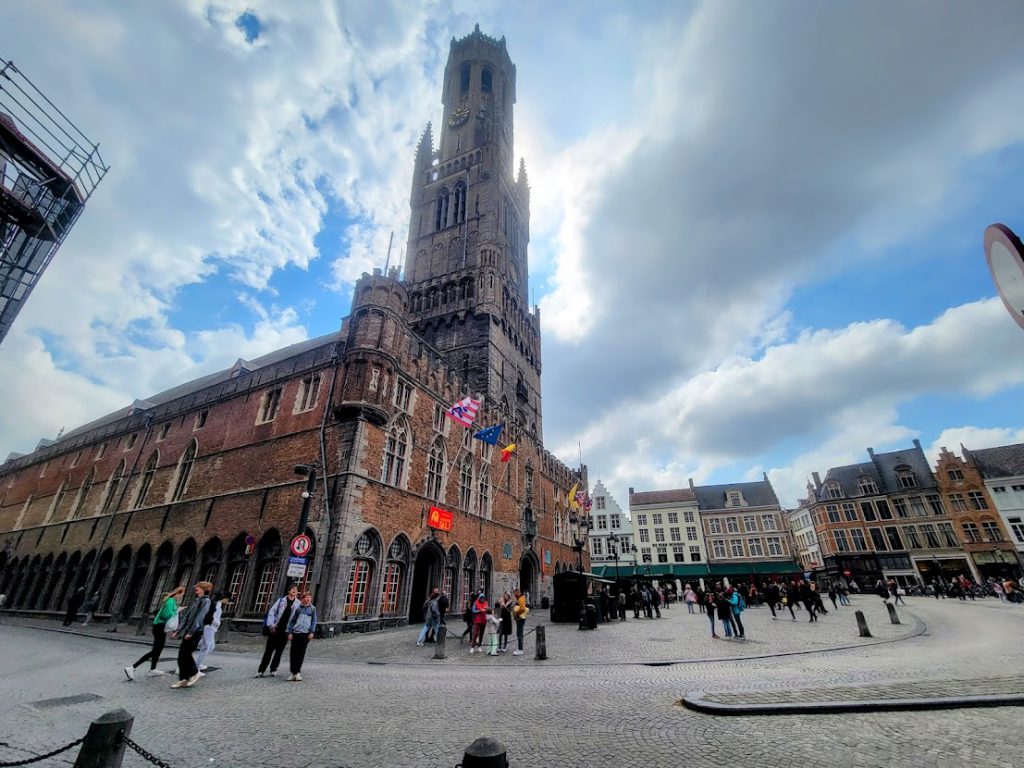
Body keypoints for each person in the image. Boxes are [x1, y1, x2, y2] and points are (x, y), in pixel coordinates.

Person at [125, 586, 183, 681]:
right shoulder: (170, 601)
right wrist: (177, 611)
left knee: (158, 649)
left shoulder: (172, 601)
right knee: (155, 650)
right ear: (178, 594)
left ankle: (153, 669)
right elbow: (166, 615)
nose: (181, 597)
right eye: (181, 595)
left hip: (161, 627)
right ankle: (132, 667)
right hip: (159, 627)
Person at [170, 581, 211, 689]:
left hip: (195, 632)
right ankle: (184, 679)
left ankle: (194, 672)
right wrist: (178, 631)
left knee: (186, 654)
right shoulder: (196, 600)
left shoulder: (206, 601)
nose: (196, 588)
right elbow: (187, 616)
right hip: (188, 631)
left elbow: (200, 618)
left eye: (199, 587)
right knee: (182, 655)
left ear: (204, 589)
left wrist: (191, 632)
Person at [256, 585, 299, 677]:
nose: (294, 590)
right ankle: (261, 670)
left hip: (285, 631)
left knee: (279, 652)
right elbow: (272, 612)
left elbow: (296, 618)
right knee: (268, 651)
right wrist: (271, 624)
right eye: (293, 589)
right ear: (288, 591)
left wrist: (292, 631)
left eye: (296, 589)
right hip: (275, 629)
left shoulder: (297, 603)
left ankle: (273, 669)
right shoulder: (281, 601)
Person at [194, 592, 228, 675]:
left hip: (211, 627)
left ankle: (198, 663)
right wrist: (218, 623)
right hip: (210, 627)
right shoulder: (216, 605)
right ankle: (196, 667)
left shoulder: (218, 604)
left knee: (210, 646)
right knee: (206, 647)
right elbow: (212, 617)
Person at [286, 591, 317, 681]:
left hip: (305, 633)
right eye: (306, 597)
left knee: (301, 653)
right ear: (302, 598)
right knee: (293, 653)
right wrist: (290, 632)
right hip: (296, 632)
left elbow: (314, 621)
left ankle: (297, 672)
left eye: (309, 597)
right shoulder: (298, 608)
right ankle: (293, 672)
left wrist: (312, 632)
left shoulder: (312, 609)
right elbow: (292, 620)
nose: (308, 599)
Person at [512, 588, 528, 656]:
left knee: (519, 633)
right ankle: (519, 648)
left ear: (518, 593)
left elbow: (522, 608)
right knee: (519, 633)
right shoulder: (520, 598)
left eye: (515, 594)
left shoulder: (521, 599)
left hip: (520, 618)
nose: (514, 595)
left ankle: (520, 649)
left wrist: (517, 613)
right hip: (519, 618)